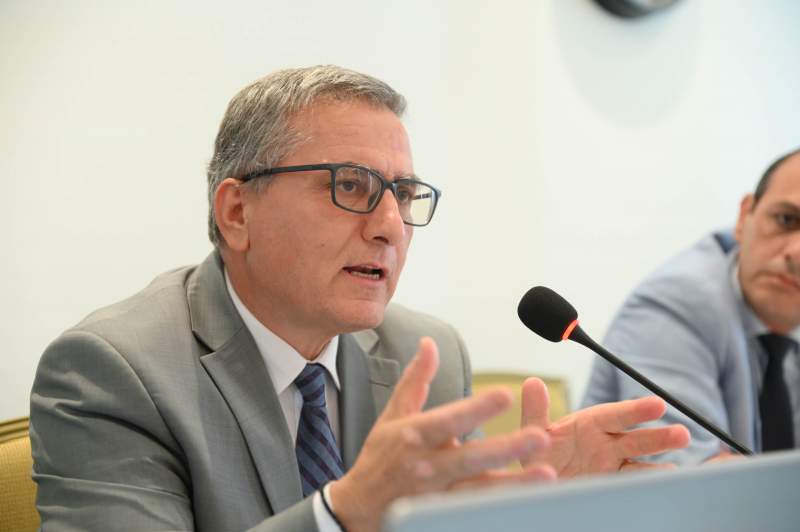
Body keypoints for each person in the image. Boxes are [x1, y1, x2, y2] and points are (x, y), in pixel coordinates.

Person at [30, 65, 689, 532]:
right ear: (237, 212)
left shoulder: (426, 355)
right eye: (350, 185)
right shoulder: (114, 372)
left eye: (403, 194)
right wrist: (341, 514)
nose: (390, 226)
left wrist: (530, 513)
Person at [583, 148, 800, 465]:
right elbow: (695, 477)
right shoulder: (675, 304)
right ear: (744, 217)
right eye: (786, 220)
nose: (796, 252)